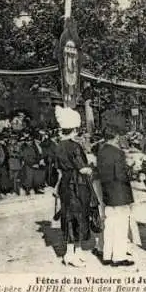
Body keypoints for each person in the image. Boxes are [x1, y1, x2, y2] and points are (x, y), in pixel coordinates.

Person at [53, 106, 97, 267]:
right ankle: (70, 254)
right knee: (79, 217)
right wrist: (92, 167)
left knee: (69, 217)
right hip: (77, 184)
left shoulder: (58, 146)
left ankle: (76, 251)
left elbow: (58, 168)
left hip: (65, 183)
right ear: (75, 129)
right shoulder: (74, 146)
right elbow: (82, 168)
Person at [97, 114, 135, 267]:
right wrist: (131, 169)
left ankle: (107, 254)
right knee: (121, 226)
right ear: (116, 137)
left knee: (109, 224)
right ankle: (118, 257)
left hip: (107, 192)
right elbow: (121, 175)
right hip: (119, 193)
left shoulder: (101, 151)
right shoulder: (118, 153)